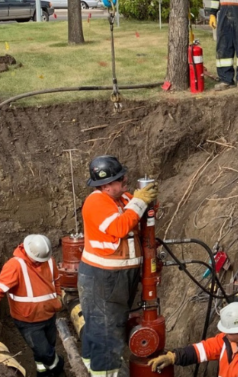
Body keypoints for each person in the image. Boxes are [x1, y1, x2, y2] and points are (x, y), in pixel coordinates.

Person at [78, 155, 158, 377]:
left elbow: (137, 217)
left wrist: (146, 204)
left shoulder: (122, 198)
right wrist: (140, 202)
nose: (125, 179)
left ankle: (89, 366)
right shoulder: (96, 202)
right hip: (103, 277)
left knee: (108, 324)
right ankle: (105, 372)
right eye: (119, 178)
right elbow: (120, 227)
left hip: (118, 277)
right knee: (106, 329)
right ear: (105, 185)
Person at [0, 234, 64, 376]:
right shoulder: (15, 265)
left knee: (47, 347)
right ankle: (58, 368)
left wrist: (58, 296)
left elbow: (56, 280)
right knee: (45, 352)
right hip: (28, 321)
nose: (40, 262)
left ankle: (42, 372)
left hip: (49, 314)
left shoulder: (49, 260)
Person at [147, 302, 238, 376]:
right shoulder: (231, 339)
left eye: (228, 331)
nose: (223, 333)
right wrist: (174, 357)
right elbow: (205, 349)